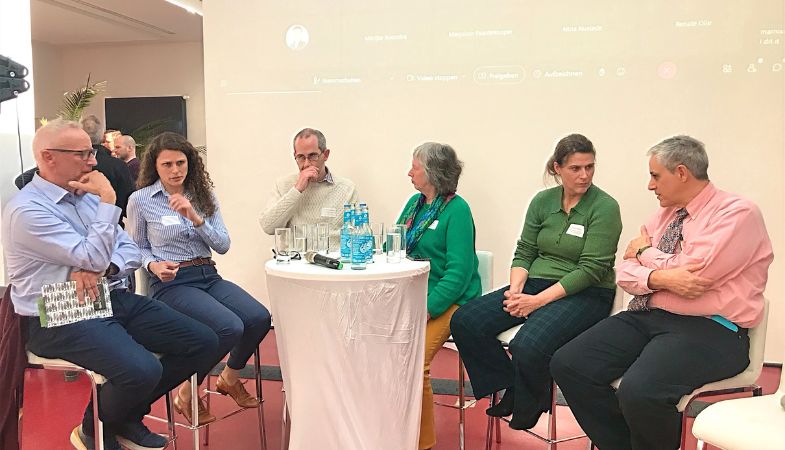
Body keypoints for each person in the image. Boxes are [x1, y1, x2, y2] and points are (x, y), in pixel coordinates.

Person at [1, 119, 218, 450]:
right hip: (56, 311)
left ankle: (111, 420)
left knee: (203, 342)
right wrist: (107, 200)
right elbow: (93, 255)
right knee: (142, 370)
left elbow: (127, 249)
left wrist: (104, 267)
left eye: (92, 153)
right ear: (48, 157)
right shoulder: (27, 211)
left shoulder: (85, 196)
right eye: (84, 154)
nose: (93, 162)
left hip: (108, 295)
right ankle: (109, 423)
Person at [550, 135, 773, 450]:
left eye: (655, 176)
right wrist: (658, 276)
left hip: (713, 328)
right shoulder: (666, 214)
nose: (650, 186)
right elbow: (624, 272)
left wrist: (646, 254)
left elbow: (696, 274)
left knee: (640, 392)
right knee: (568, 364)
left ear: (681, 173)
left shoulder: (738, 213)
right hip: (649, 315)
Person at [450, 134, 622, 430]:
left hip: (587, 292)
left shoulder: (605, 207)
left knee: (528, 344)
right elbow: (525, 250)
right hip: (535, 284)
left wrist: (537, 302)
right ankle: (512, 386)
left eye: (590, 167)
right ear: (558, 167)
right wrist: (516, 291)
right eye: (576, 168)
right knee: (466, 320)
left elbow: (592, 269)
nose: (584, 175)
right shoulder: (542, 201)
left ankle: (530, 404)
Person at [127, 132, 272, 425]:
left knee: (258, 317)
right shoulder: (140, 200)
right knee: (229, 326)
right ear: (155, 167)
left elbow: (223, 244)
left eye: (180, 162)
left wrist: (196, 218)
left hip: (207, 273)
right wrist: (153, 266)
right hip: (171, 282)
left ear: (190, 163)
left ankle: (229, 377)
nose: (175, 170)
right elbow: (135, 248)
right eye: (167, 164)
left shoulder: (203, 196)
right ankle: (187, 393)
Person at [394, 142, 482, 450]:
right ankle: (393, 430)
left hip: (451, 300)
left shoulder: (458, 210)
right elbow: (395, 246)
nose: (409, 173)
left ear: (432, 172)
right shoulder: (414, 204)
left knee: (416, 362)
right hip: (412, 296)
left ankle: (422, 444)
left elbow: (458, 275)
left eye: (414, 167)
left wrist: (428, 308)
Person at [259, 128, 358, 250]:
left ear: (325, 155)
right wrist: (297, 189)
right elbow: (268, 227)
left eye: (312, 156)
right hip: (295, 264)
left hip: (333, 264)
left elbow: (359, 234)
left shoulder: (346, 188)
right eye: (300, 157)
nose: (306, 164)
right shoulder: (283, 185)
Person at [80, 115, 135, 222]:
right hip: (113, 225)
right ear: (102, 136)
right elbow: (129, 203)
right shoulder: (118, 166)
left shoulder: (70, 164)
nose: (92, 162)